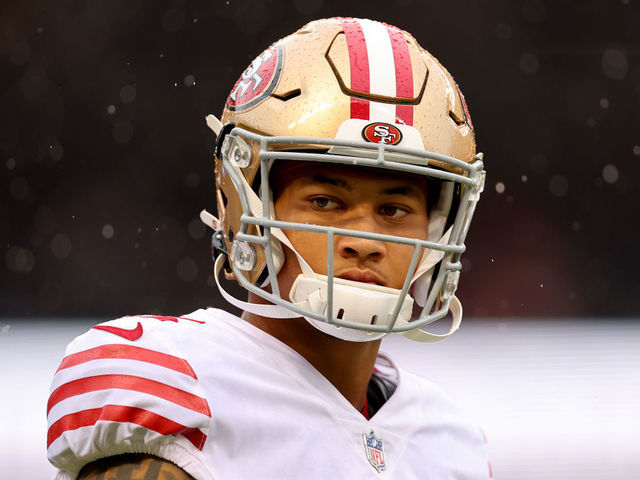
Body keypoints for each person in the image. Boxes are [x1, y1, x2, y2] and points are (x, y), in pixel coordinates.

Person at [47, 17, 489, 480]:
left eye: (394, 209)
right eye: (325, 202)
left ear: (439, 230)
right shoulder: (179, 387)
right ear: (247, 204)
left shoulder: (452, 444)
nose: (365, 241)